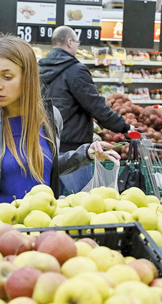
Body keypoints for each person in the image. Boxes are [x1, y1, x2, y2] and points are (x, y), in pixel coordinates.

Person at [0, 35, 119, 216]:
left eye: (7, 77)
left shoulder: (50, 117)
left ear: (28, 77)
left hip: (41, 227)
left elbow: (45, 167)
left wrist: (86, 154)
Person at [38, 26, 130, 194]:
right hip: (74, 150)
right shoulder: (75, 70)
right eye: (77, 43)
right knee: (83, 203)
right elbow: (96, 106)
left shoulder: (39, 69)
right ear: (69, 42)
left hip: (46, 146)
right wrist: (124, 128)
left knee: (50, 203)